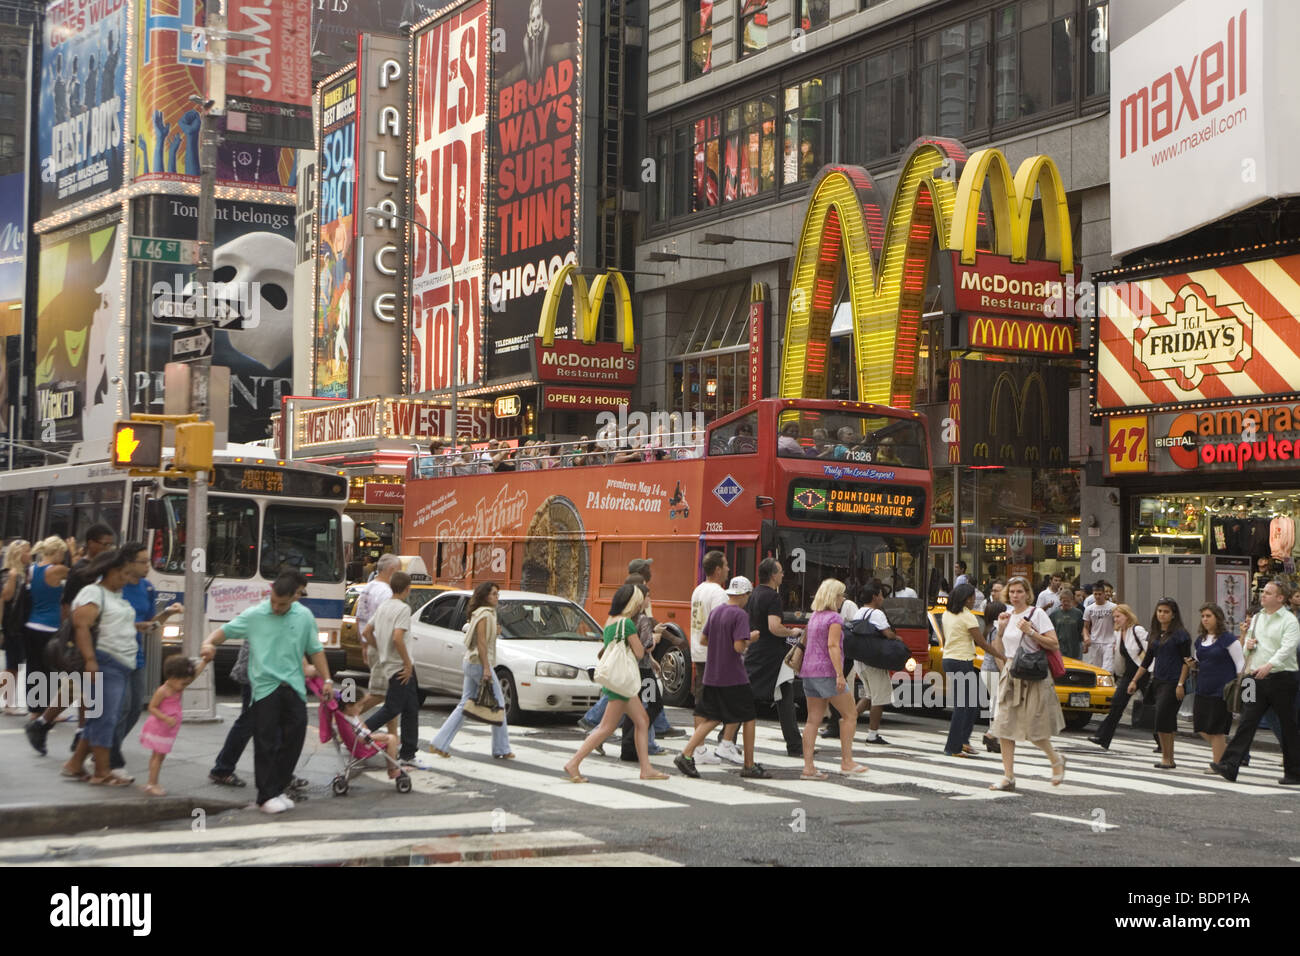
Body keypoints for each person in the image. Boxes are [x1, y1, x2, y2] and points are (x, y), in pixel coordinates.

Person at [201, 570, 333, 814]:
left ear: (296, 596)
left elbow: (315, 650)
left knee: (294, 740)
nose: (275, 607)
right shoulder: (256, 614)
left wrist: (327, 679)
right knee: (266, 742)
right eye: (272, 601)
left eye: (281, 604)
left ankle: (278, 789)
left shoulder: (304, 616)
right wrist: (208, 643)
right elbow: (225, 632)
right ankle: (265, 795)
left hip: (294, 686)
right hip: (264, 688)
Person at [564, 583, 669, 782]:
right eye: (638, 601)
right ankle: (573, 763)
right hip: (622, 683)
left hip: (618, 682)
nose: (641, 604)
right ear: (632, 602)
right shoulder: (627, 623)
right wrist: (653, 638)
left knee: (642, 721)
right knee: (607, 727)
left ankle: (646, 768)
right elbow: (639, 652)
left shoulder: (610, 621)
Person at [674, 576, 770, 779]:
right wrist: (749, 638)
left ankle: (686, 754)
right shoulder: (740, 615)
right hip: (734, 675)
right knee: (749, 716)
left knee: (714, 716)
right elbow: (738, 646)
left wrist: (722, 641)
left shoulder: (717, 611)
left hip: (712, 673)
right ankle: (749, 764)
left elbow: (704, 639)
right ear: (745, 594)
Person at [60, 549, 138, 785]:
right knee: (106, 718)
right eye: (124, 573)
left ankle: (74, 764)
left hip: (121, 663)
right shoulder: (93, 592)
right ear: (112, 571)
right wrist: (91, 660)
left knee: (99, 717)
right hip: (105, 661)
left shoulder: (116, 593)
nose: (127, 578)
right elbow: (81, 626)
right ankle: (101, 772)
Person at [1211, 580, 1300, 785]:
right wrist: (1248, 645)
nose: (1263, 595)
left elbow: (1288, 647)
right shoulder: (1258, 618)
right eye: (1263, 592)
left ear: (1280, 598)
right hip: (1254, 679)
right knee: (1246, 720)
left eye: (1268, 593)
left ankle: (1294, 772)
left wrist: (1270, 665)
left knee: (1288, 725)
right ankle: (1230, 765)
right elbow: (1247, 646)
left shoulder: (1289, 621)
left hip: (1282, 678)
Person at [987, 576, 1066, 791]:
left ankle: (1056, 759)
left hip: (1033, 675)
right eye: (1012, 592)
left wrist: (1031, 631)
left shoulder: (1037, 614)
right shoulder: (1005, 616)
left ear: (1027, 593)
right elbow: (1000, 652)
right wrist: (1001, 630)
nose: (1015, 596)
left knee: (1034, 727)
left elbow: (1054, 643)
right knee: (1004, 725)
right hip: (1012, 672)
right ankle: (1008, 776)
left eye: (1019, 592)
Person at [112, 543, 181, 772]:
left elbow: (151, 625)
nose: (148, 566)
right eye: (143, 561)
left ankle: (107, 750)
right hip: (114, 655)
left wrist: (168, 613)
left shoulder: (148, 588)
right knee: (120, 708)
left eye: (148, 561)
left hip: (136, 655)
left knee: (133, 710)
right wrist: (134, 625)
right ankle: (110, 757)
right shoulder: (115, 587)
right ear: (129, 563)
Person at [429, 581, 513, 759]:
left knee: (464, 704)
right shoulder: (485, 614)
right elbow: (481, 642)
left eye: (497, 594)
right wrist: (486, 668)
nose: (497, 597)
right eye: (493, 594)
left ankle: (439, 743)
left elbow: (480, 638)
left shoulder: (482, 613)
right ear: (485, 597)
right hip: (478, 663)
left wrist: (495, 633)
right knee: (498, 704)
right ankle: (502, 749)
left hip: (471, 661)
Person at [795, 579, 867, 778]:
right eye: (841, 595)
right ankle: (847, 761)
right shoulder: (834, 618)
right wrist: (840, 674)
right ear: (833, 597)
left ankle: (808, 767)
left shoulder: (815, 617)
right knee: (850, 715)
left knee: (812, 720)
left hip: (808, 672)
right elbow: (833, 646)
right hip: (827, 672)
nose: (842, 598)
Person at [740, 558, 804, 756]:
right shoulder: (773, 597)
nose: (784, 575)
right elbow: (774, 627)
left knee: (773, 696)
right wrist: (791, 632)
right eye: (781, 571)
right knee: (780, 696)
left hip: (755, 650)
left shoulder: (753, 595)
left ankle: (727, 738)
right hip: (772, 654)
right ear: (773, 575)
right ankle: (794, 746)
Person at [361, 571, 421, 765]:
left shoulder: (384, 606)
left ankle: (409, 753)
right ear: (406, 589)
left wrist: (380, 649)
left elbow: (367, 631)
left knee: (411, 708)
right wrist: (407, 663)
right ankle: (362, 731)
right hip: (400, 666)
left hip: (389, 663)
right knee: (392, 707)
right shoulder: (403, 609)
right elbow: (397, 637)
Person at [1126, 599, 1192, 769]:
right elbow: (1147, 660)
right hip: (1158, 680)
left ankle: (1167, 758)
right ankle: (1167, 757)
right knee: (1163, 720)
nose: (1162, 614)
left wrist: (1180, 684)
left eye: (1166, 611)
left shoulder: (1181, 635)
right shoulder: (1155, 634)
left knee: (1164, 717)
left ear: (1173, 614)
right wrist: (1134, 680)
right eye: (1160, 611)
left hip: (1173, 681)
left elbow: (1186, 661)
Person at [941, 583, 1002, 758]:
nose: (975, 600)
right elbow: (982, 643)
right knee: (963, 705)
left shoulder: (947, 614)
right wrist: (1002, 656)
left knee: (972, 703)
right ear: (967, 599)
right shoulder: (968, 617)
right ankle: (953, 747)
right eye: (973, 597)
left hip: (949, 659)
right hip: (962, 661)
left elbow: (945, 639)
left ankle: (964, 741)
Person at [138, 654, 208, 796]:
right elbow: (152, 707)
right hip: (159, 728)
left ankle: (152, 782)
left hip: (167, 729)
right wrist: (165, 718)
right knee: (157, 756)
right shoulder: (163, 691)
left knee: (159, 756)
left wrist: (205, 662)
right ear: (171, 677)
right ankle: (152, 784)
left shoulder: (177, 686)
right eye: (183, 683)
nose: (185, 686)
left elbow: (194, 675)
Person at [1088, 604, 1154, 751]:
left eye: (1118, 616)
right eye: (1114, 617)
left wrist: (1150, 671)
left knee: (1151, 707)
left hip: (1143, 673)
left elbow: (1150, 651)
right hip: (1127, 674)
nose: (1116, 620)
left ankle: (1161, 740)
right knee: (1117, 704)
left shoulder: (1137, 630)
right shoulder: (1118, 633)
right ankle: (1103, 737)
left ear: (1127, 616)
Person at [22, 538, 69, 738]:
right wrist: (74, 555)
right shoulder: (56, 570)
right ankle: (50, 711)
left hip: (31, 625)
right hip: (51, 627)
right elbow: (78, 573)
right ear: (58, 552)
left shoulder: (32, 570)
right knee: (53, 670)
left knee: (34, 668)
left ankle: (34, 710)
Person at [1190, 603, 1245, 772]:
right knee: (1200, 726)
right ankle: (1226, 754)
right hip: (1203, 687)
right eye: (1203, 616)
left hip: (1222, 690)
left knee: (1217, 729)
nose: (1205, 619)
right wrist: (1191, 664)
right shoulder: (1200, 640)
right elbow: (1198, 660)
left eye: (1209, 616)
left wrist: (1239, 686)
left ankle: (1219, 763)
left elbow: (1240, 663)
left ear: (1218, 618)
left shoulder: (1228, 639)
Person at [849, 584, 896, 745]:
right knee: (879, 699)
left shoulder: (859, 612)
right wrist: (898, 639)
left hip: (860, 660)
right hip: (874, 661)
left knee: (869, 695)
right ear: (875, 596)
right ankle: (872, 734)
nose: (883, 599)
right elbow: (888, 634)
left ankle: (846, 724)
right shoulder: (877, 614)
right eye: (881, 595)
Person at [355, 554, 399, 717]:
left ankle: (392, 735)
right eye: (399, 570)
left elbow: (360, 617)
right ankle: (345, 718)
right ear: (391, 570)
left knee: (390, 696)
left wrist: (364, 645)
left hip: (371, 644)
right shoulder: (386, 592)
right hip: (381, 647)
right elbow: (386, 623)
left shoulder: (368, 587)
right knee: (379, 693)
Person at [0, 539, 31, 715]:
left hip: (21, 626)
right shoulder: (8, 573)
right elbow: (6, 597)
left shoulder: (27, 572)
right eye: (26, 551)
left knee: (15, 665)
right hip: (12, 626)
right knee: (12, 665)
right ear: (18, 554)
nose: (30, 555)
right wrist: (12, 578)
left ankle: (9, 703)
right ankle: (9, 704)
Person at [979, 599, 1007, 753]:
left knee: (994, 703)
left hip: (986, 669)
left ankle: (993, 737)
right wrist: (1004, 672)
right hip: (994, 670)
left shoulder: (988, 628)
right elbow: (997, 654)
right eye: (1003, 611)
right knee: (999, 704)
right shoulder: (996, 630)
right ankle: (991, 735)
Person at [1082, 580, 1118, 675]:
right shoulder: (1089, 609)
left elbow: (1118, 625)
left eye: (1099, 594)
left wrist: (1117, 641)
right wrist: (1086, 638)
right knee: (1095, 669)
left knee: (1108, 669)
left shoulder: (1113, 607)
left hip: (1109, 642)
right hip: (1095, 641)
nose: (1097, 596)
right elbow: (1085, 627)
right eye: (1095, 594)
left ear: (1104, 594)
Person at [1049, 587, 1084, 659]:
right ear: (1060, 600)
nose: (1066, 603)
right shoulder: (1054, 614)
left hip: (1074, 648)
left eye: (1068, 601)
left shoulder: (1078, 613)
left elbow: (1081, 630)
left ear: (1072, 600)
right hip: (1059, 648)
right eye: (1064, 601)